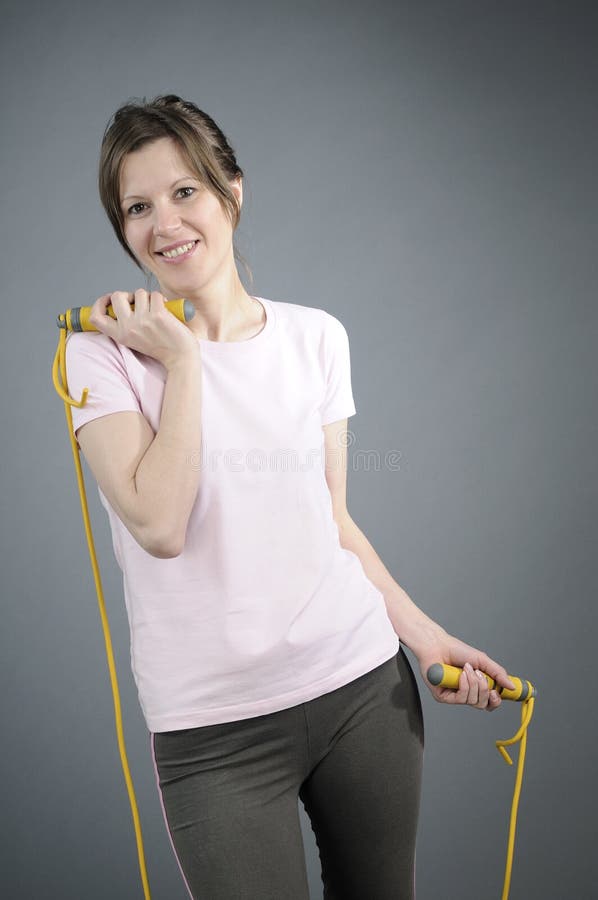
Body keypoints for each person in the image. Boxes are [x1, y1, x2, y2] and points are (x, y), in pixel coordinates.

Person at [65, 94, 515, 900]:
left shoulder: (317, 337)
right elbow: (161, 526)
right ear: (123, 229)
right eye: (137, 206)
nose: (164, 222)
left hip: (361, 693)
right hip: (214, 738)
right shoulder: (102, 359)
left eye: (185, 191)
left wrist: (426, 636)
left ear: (233, 192)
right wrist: (186, 361)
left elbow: (332, 521)